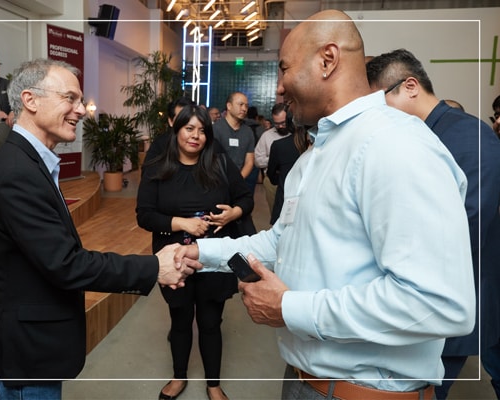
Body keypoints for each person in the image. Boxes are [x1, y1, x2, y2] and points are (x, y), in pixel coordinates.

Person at [174, 10, 475, 400]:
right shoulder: (313, 158)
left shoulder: (395, 145)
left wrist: (289, 309)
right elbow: (280, 241)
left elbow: (437, 302)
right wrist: (201, 252)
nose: (279, 88)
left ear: (328, 60)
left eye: (284, 69)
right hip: (303, 380)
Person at [0, 58, 201, 400]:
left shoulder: (28, 162)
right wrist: (155, 267)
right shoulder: (16, 172)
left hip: (31, 354)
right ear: (30, 101)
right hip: (22, 361)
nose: (80, 110)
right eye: (70, 98)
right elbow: (66, 264)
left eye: (79, 100)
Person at [366, 48, 500, 399]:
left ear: (410, 86)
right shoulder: (415, 134)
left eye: (380, 102)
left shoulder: (469, 136)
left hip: (449, 297)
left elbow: (467, 226)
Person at [136, 105, 254, 400]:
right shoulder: (158, 168)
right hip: (174, 259)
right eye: (189, 128)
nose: (196, 136)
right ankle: (179, 378)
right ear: (176, 131)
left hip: (214, 256)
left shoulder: (219, 163)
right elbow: (145, 215)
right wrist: (181, 222)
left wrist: (232, 214)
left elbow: (245, 198)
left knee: (211, 322)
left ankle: (213, 384)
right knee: (180, 319)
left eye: (202, 130)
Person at [254, 103, 293, 218]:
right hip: (273, 181)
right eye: (277, 124)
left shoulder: (297, 134)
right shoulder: (267, 136)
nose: (280, 126)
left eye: (283, 123)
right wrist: (274, 159)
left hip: (293, 179)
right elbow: (257, 160)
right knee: (276, 215)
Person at [266, 126, 310, 225]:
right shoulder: (318, 146)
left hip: (285, 202)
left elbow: (271, 176)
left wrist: (282, 179)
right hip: (308, 204)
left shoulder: (279, 145)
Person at [212, 92, 256, 192]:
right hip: (216, 183)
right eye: (240, 104)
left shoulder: (248, 132)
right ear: (229, 106)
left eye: (246, 106)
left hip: (238, 182)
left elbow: (249, 161)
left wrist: (237, 180)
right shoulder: (215, 129)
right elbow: (210, 159)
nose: (244, 109)